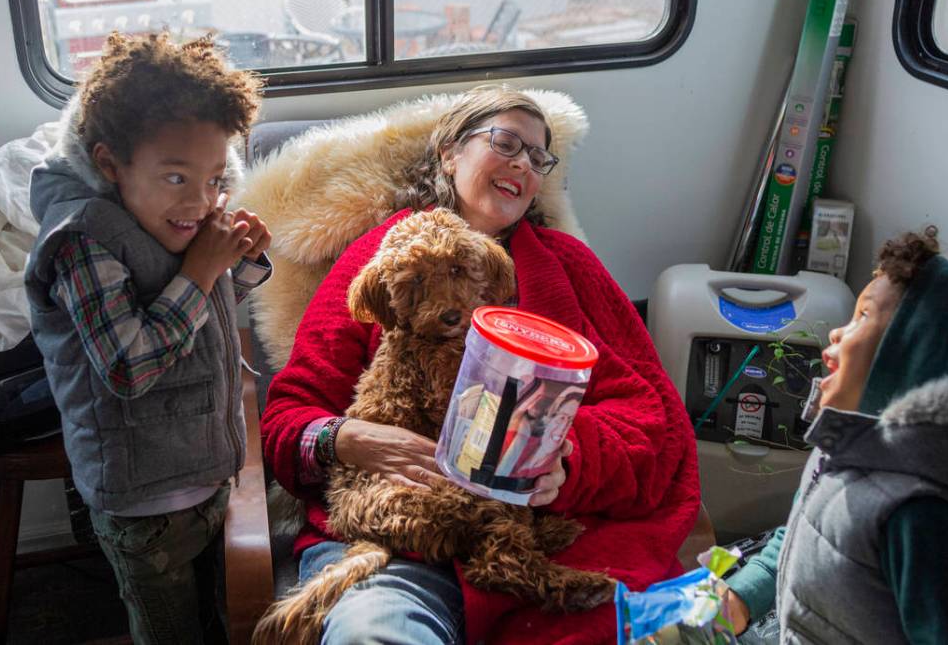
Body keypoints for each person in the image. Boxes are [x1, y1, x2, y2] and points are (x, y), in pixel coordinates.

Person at [261, 85, 700, 644]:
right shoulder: (380, 259)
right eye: (506, 142)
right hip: (402, 545)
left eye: (539, 157)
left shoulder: (571, 267)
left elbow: (650, 418)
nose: (524, 163)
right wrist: (351, 438)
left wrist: (568, 462)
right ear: (450, 152)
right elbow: (287, 416)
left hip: (549, 540)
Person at [24, 33, 270, 644]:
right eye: (177, 177)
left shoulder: (179, 216)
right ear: (110, 163)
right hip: (143, 502)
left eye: (217, 178)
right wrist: (202, 269)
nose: (201, 200)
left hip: (205, 472)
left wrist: (239, 261)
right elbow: (131, 366)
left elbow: (200, 321)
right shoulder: (82, 242)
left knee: (220, 621)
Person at [720, 227, 948, 644]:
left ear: (907, 355)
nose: (835, 333)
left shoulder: (918, 514)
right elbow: (800, 535)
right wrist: (738, 598)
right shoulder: (839, 451)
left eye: (863, 316)